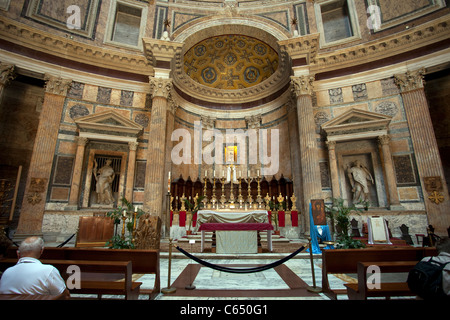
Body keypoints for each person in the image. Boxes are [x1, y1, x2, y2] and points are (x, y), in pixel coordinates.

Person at [0, 236, 70, 299]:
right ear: (41, 251)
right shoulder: (48, 270)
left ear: (18, 253)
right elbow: (65, 296)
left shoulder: (7, 272)